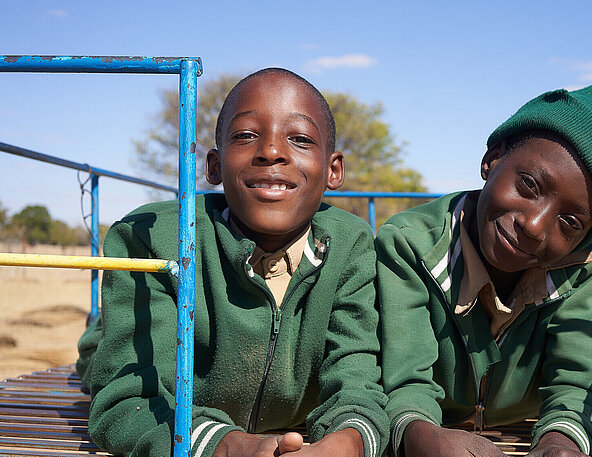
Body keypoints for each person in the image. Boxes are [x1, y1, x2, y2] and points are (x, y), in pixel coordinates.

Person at [77, 68, 388, 457]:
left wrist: (347, 443)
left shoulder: (349, 245)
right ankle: (99, 332)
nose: (272, 151)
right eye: (245, 136)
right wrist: (232, 447)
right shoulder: (152, 237)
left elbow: (357, 378)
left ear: (333, 169)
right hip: (134, 348)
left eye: (300, 138)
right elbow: (125, 403)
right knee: (102, 355)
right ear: (213, 166)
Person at [376, 83, 592, 457]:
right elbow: (404, 377)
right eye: (529, 185)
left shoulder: (585, 268)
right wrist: (421, 434)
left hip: (524, 422)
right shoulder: (411, 244)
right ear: (493, 159)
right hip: (433, 424)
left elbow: (579, 382)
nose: (535, 225)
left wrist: (561, 443)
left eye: (569, 221)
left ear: (584, 238)